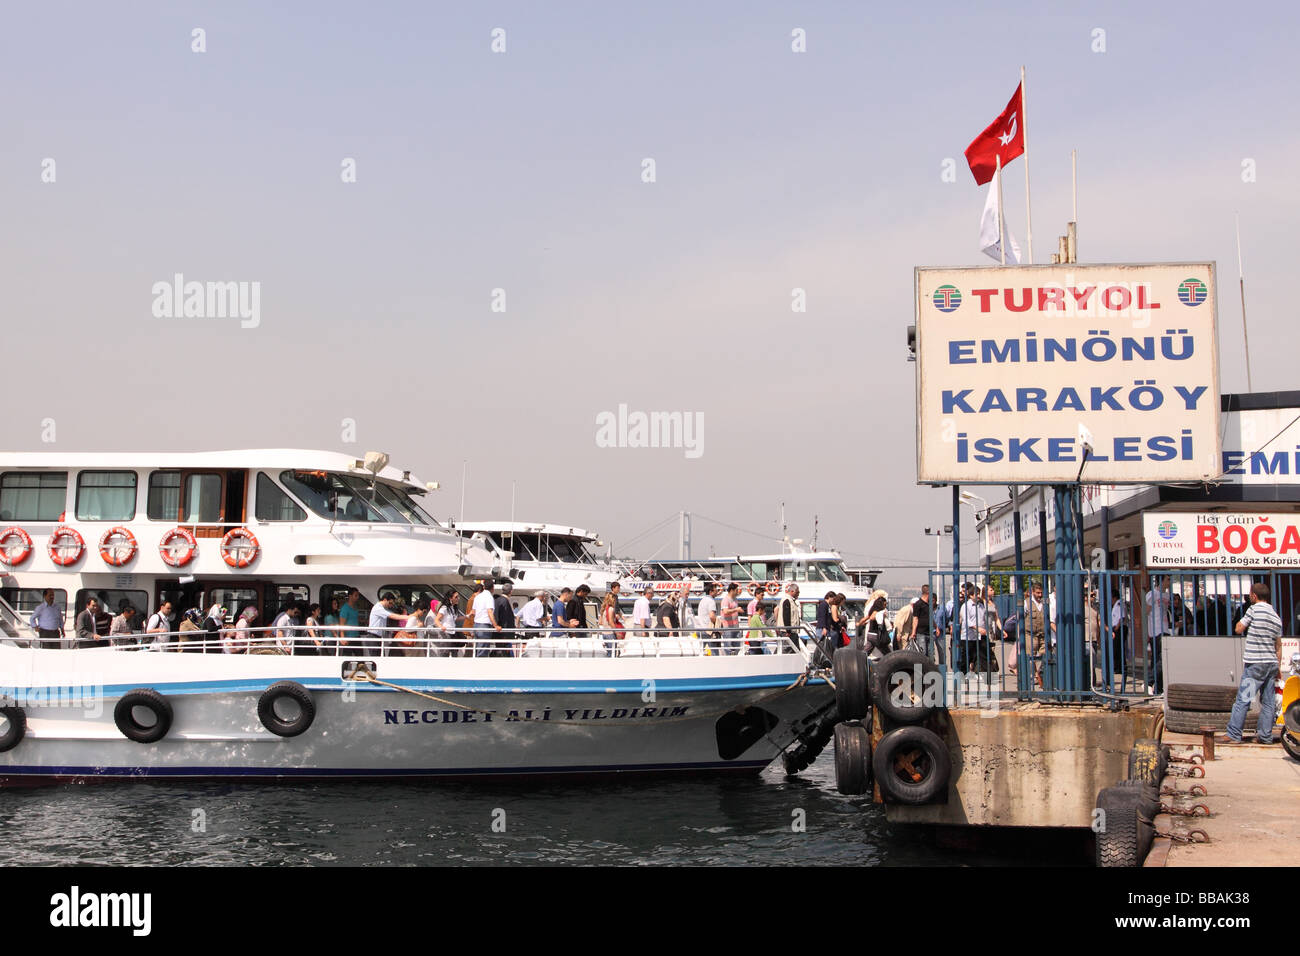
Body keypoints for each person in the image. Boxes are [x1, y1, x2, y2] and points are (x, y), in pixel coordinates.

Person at [1220, 581, 1283, 744]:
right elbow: (1278, 646)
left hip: (1255, 664)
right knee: (1268, 703)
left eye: (1250, 595)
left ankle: (1234, 733)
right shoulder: (1276, 617)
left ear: (1254, 596)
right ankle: (1264, 736)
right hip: (1270, 665)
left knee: (1243, 698)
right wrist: (1278, 667)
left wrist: (1240, 623)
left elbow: (1239, 629)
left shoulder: (1254, 610)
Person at [1145, 575, 1171, 694]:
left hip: (1165, 629)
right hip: (1156, 630)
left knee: (1159, 660)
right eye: (1167, 580)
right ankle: (1149, 682)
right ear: (1161, 581)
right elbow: (1147, 612)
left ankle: (1158, 689)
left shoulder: (1167, 595)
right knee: (1161, 659)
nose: (1169, 582)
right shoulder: (1152, 594)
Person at [956, 583, 987, 674]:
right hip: (968, 637)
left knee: (979, 656)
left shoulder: (981, 606)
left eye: (979, 594)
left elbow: (983, 619)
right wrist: (978, 628)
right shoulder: (966, 606)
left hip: (979, 636)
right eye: (976, 594)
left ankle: (980, 673)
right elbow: (967, 621)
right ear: (970, 595)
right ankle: (963, 675)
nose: (978, 596)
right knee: (966, 657)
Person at [863, 590, 892, 657]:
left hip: (872, 632)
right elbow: (873, 617)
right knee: (885, 652)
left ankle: (859, 660)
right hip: (877, 633)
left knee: (868, 651)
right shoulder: (875, 605)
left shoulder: (871, 605)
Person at [493, 582, 518, 656]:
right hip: (504, 633)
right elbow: (505, 618)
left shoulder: (497, 600)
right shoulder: (505, 601)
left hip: (498, 632)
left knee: (500, 650)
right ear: (511, 591)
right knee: (504, 653)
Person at [719, 582, 742, 655]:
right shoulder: (725, 600)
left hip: (735, 627)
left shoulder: (735, 599)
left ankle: (734, 658)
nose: (737, 591)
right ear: (732, 590)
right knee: (728, 646)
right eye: (736, 590)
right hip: (727, 627)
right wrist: (736, 610)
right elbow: (725, 611)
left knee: (737, 646)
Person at [696, 582, 720, 654]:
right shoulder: (711, 601)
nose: (717, 593)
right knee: (714, 652)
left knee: (702, 652)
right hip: (708, 630)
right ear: (711, 592)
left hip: (701, 629)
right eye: (716, 591)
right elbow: (712, 616)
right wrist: (718, 625)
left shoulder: (702, 600)